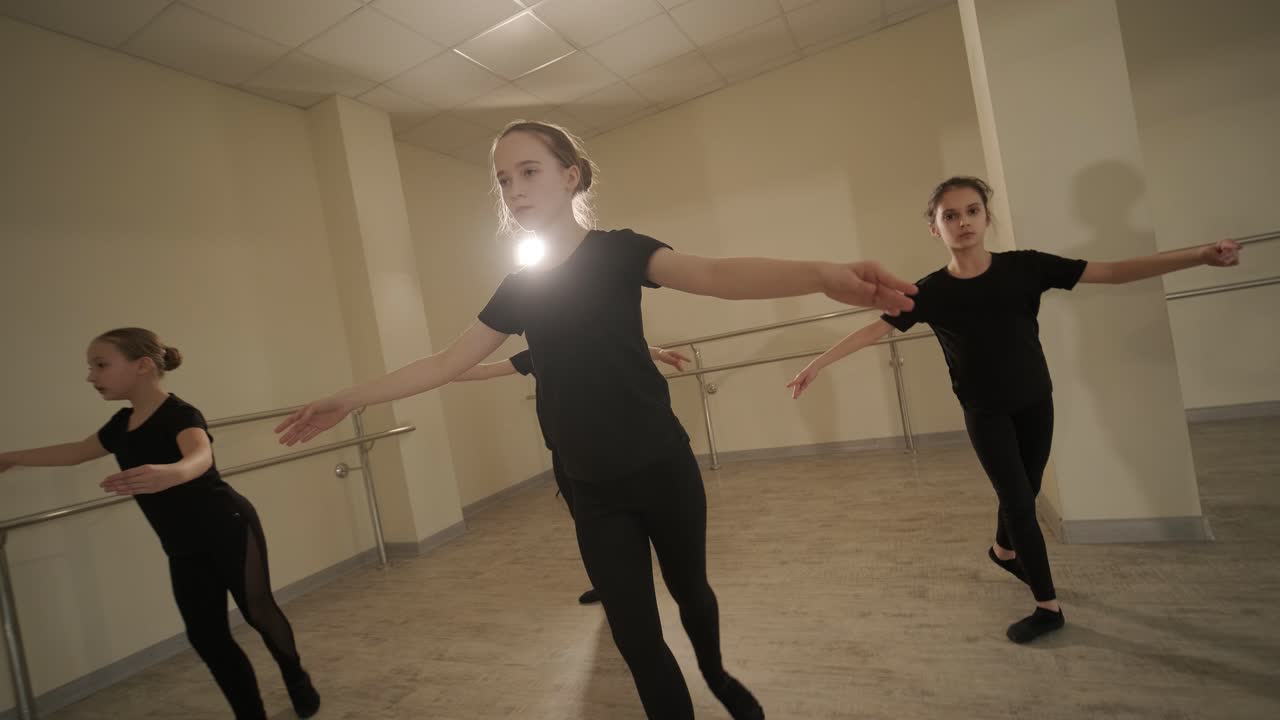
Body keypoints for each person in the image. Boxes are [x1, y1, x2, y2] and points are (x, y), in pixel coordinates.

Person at [274, 120, 917, 719]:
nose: (514, 189)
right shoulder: (519, 288)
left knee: (691, 593)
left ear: (571, 175)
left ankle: (718, 674)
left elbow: (715, 274)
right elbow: (446, 362)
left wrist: (823, 275)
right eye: (503, 179)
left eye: (528, 172)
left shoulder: (619, 252)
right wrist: (350, 396)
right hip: (593, 488)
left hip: (662, 467)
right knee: (638, 639)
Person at [787, 176, 1241, 644]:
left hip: (1034, 401)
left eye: (971, 211)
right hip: (985, 412)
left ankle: (1003, 551)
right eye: (950, 215)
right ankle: (1048, 606)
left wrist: (1200, 256)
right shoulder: (929, 292)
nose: (962, 222)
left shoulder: (1026, 268)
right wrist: (818, 364)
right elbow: (873, 331)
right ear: (934, 228)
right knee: (1022, 503)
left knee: (1026, 488)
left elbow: (1112, 271)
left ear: (986, 217)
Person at [0, 327, 321, 718]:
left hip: (228, 526)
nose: (90, 376)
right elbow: (75, 452)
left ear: (143, 366)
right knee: (205, 635)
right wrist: (11, 457)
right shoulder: (120, 425)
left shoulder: (180, 414)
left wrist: (174, 472)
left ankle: (296, 679)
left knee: (258, 610)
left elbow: (199, 455)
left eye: (100, 365)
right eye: (91, 367)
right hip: (181, 544)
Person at [452, 346, 690, 606]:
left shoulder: (589, 339)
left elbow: (627, 344)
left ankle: (636, 584)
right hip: (564, 454)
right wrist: (444, 373)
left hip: (604, 449)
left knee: (621, 524)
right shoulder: (537, 353)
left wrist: (659, 352)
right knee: (587, 524)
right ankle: (606, 585)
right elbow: (487, 370)